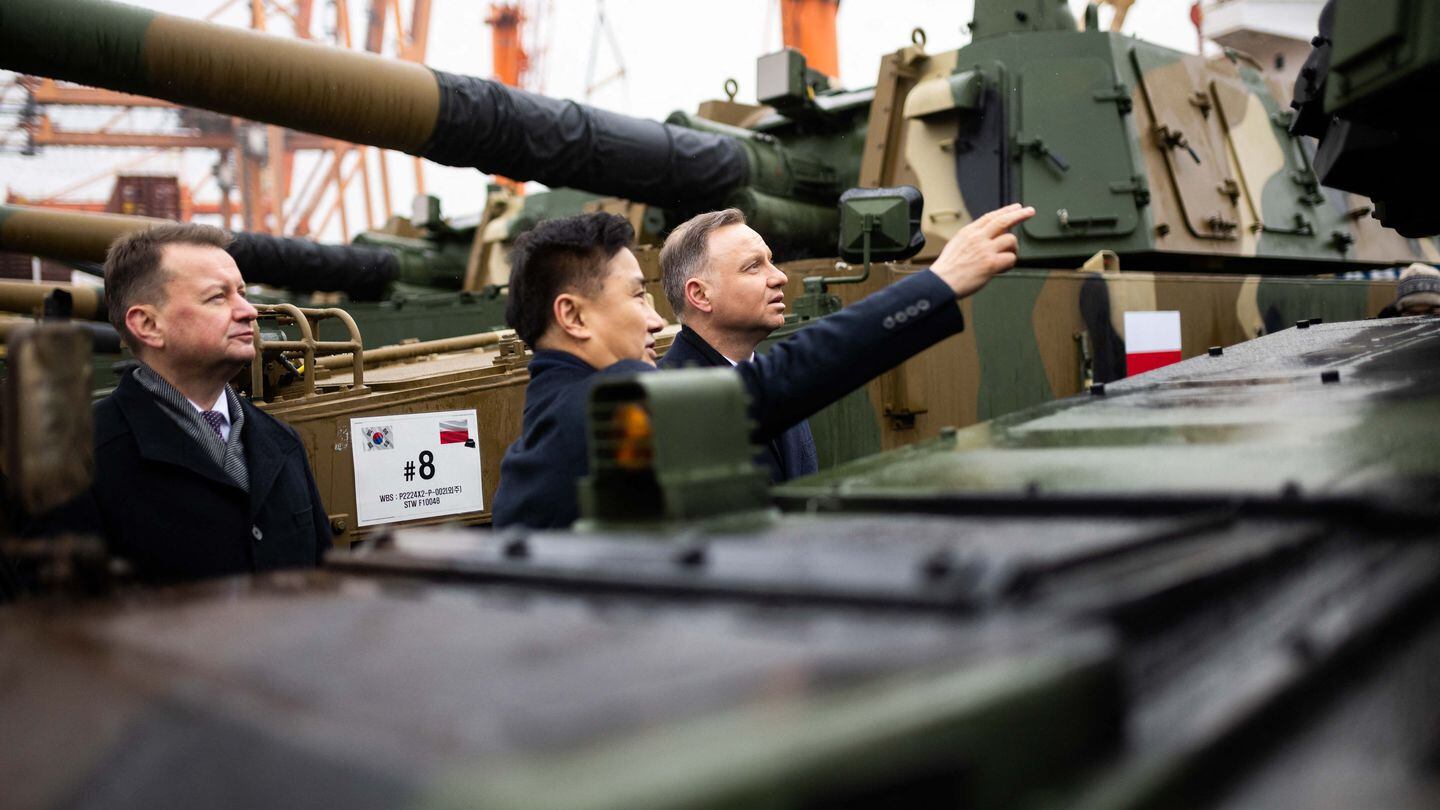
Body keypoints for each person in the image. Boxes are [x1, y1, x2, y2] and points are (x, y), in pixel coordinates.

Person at [491, 204, 1034, 529]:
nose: (655, 320)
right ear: (573, 316)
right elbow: (765, 391)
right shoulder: (604, 407)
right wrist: (936, 284)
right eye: (636, 297)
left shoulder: (560, 411)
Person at [31, 223, 331, 584]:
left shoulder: (282, 444)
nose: (249, 311)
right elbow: (55, 627)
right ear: (147, 324)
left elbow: (325, 591)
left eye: (242, 292)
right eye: (217, 297)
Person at [657, 208, 816, 483]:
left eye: (770, 261)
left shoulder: (777, 382)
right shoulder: (666, 404)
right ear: (700, 295)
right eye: (753, 266)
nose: (779, 277)